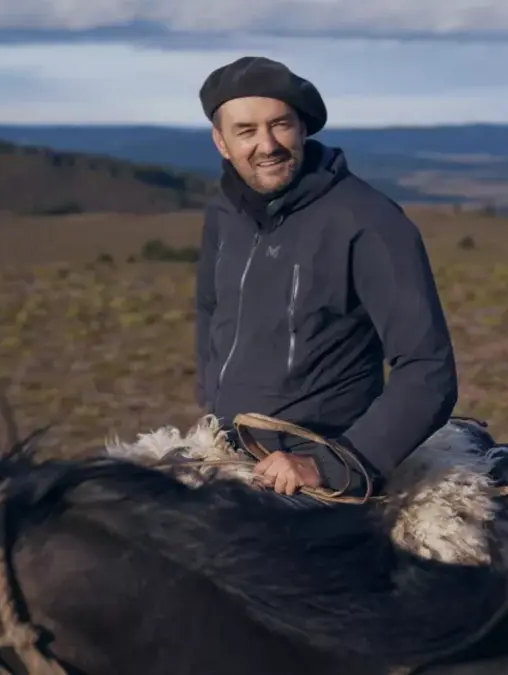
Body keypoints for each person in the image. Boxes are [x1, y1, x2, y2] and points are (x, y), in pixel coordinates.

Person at [192, 56, 459, 502]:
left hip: (319, 465)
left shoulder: (367, 220)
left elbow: (428, 369)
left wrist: (332, 464)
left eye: (280, 125)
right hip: (228, 453)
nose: (267, 144)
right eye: (246, 131)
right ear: (221, 142)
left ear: (303, 128)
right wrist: (212, 403)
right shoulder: (223, 214)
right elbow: (210, 309)